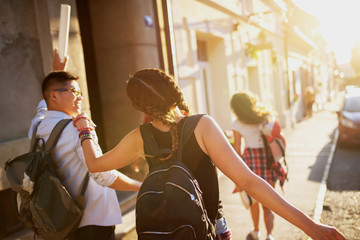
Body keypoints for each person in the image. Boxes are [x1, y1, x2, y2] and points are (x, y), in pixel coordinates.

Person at [75, 68, 345, 240]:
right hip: (208, 231)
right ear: (172, 89)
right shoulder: (202, 126)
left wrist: (85, 128)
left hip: (161, 233)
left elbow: (95, 164)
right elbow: (249, 182)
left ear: (138, 104)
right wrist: (311, 227)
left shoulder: (139, 137)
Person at [28, 49, 142, 240]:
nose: (80, 97)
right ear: (54, 96)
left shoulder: (37, 125)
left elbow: (42, 105)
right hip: (93, 220)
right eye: (74, 91)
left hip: (61, 220)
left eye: (80, 92)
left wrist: (56, 72)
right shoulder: (77, 129)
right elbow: (102, 173)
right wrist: (141, 186)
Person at [230, 91, 283, 240]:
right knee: (268, 201)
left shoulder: (237, 123)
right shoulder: (264, 117)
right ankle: (270, 235)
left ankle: (256, 231)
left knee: (253, 202)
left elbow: (237, 150)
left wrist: (236, 172)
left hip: (250, 163)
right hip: (267, 161)